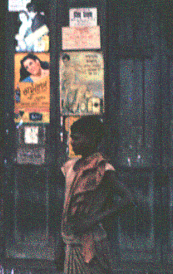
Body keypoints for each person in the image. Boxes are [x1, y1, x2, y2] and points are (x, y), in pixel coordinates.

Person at [57, 116, 133, 274]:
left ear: (91, 139)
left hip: (91, 243)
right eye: (71, 137)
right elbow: (66, 209)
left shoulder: (102, 168)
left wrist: (93, 220)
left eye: (76, 138)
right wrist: (61, 245)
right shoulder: (70, 167)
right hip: (70, 243)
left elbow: (128, 199)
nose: (72, 142)